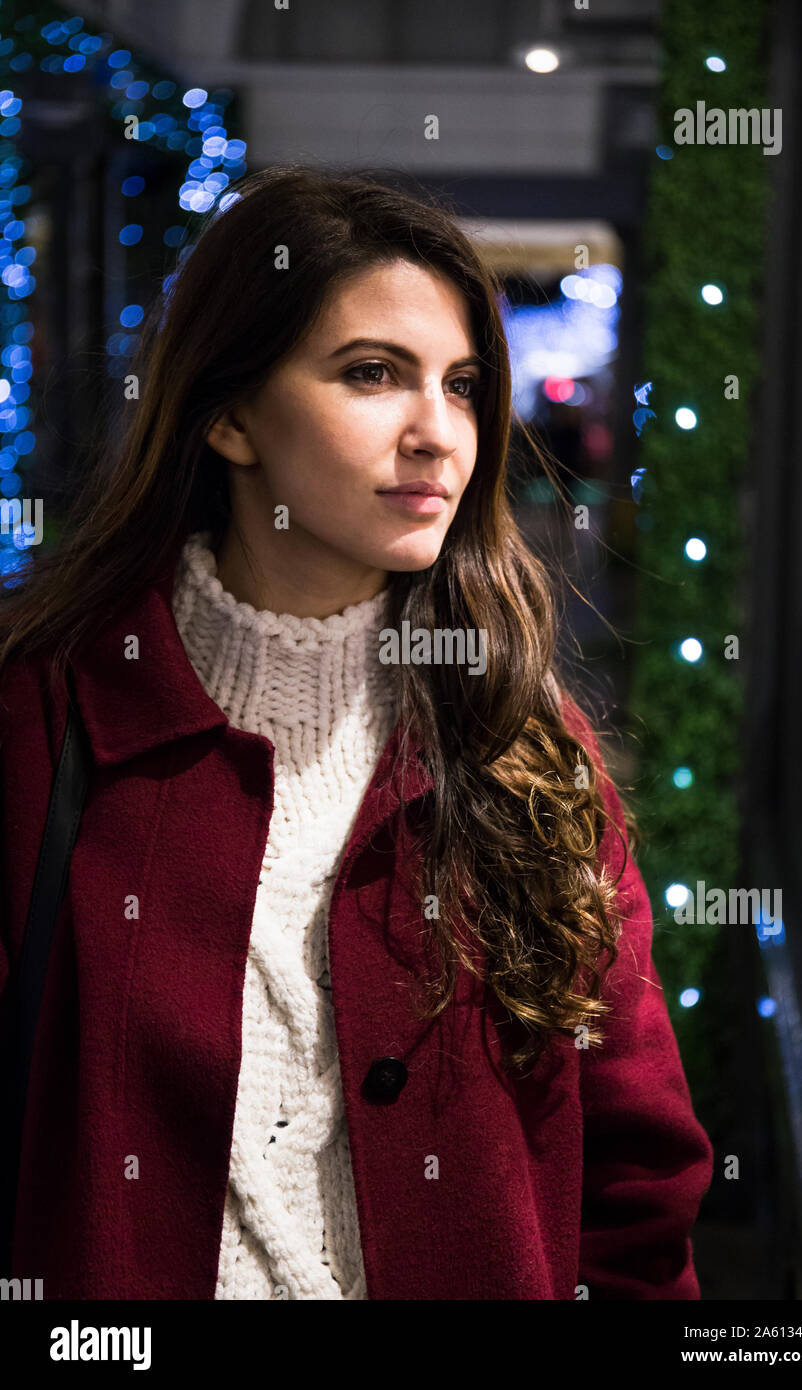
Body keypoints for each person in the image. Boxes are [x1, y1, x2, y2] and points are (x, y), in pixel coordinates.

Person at [0, 163, 713, 1300]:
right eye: (372, 374)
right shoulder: (41, 722)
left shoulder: (526, 755)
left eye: (465, 385)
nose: (438, 434)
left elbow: (638, 1185)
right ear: (228, 413)